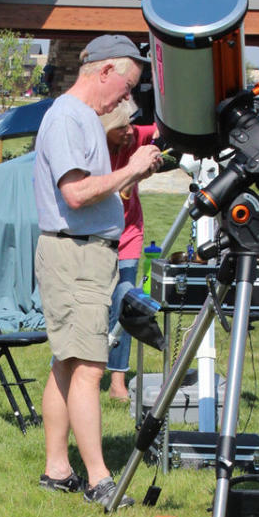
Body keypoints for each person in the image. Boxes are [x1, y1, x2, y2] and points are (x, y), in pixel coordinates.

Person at [32, 34, 163, 507]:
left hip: (79, 251)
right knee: (89, 366)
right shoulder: (69, 117)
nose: (127, 98)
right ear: (104, 72)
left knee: (67, 361)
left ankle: (57, 469)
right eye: (127, 87)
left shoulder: (81, 117)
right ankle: (99, 480)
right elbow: (77, 193)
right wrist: (133, 171)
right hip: (77, 254)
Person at [102, 99, 159, 401]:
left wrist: (152, 160)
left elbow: (163, 133)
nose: (130, 131)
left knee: (124, 300)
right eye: (122, 126)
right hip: (96, 235)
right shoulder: (92, 148)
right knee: (93, 305)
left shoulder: (135, 134)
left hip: (129, 233)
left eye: (131, 124)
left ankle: (117, 379)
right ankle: (68, 367)